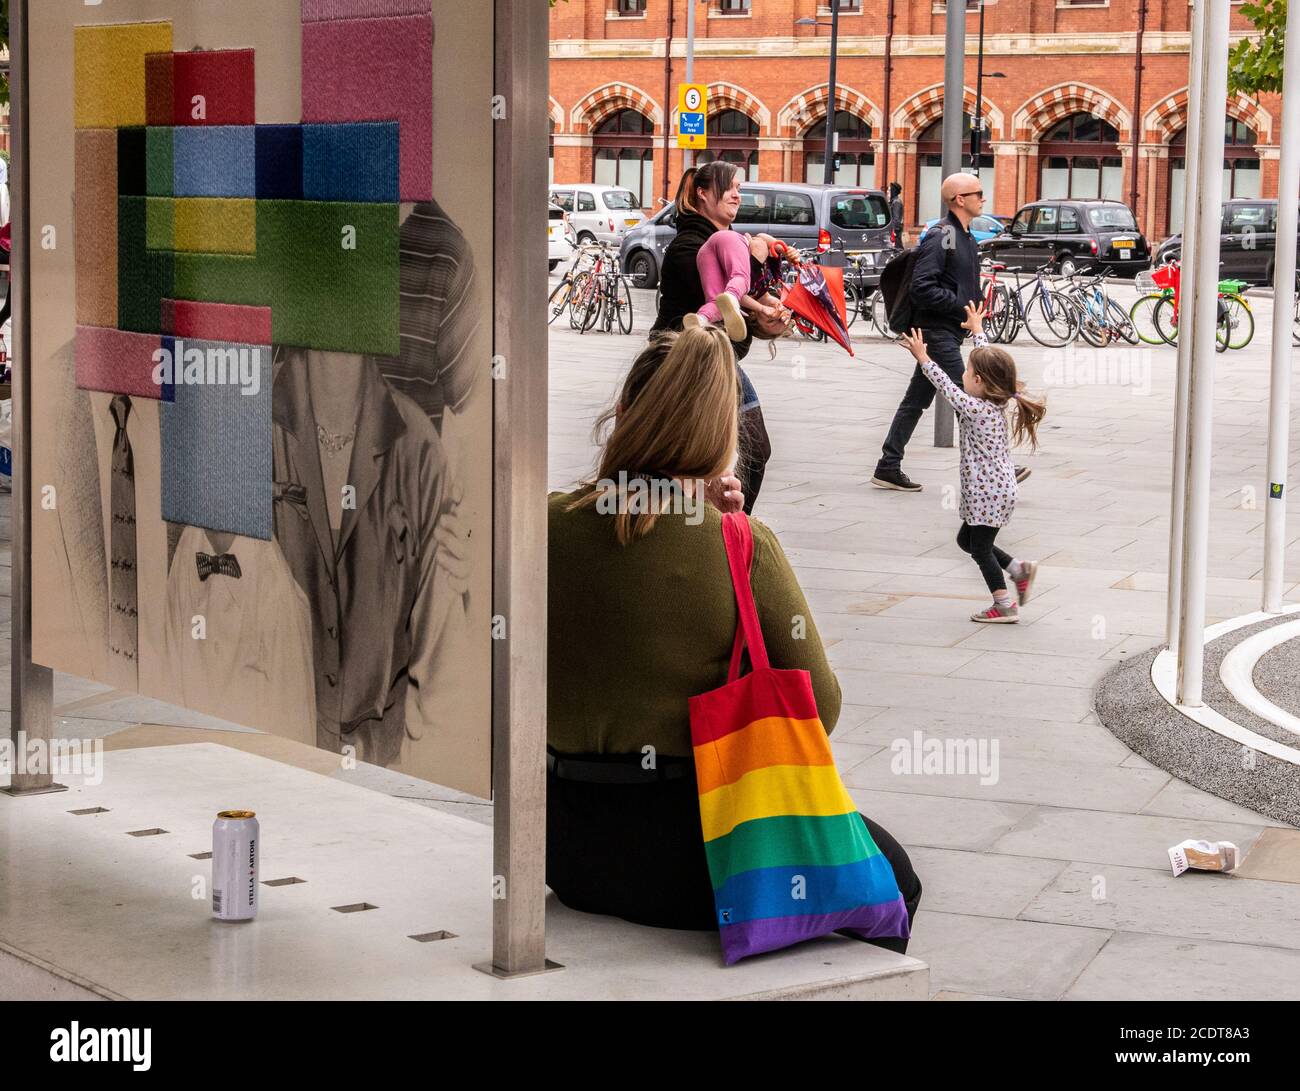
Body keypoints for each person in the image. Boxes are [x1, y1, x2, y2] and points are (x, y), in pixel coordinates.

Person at [546, 324, 923, 950]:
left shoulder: (545, 521)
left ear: (620, 416)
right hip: (702, 861)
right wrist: (724, 526)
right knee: (891, 880)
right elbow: (818, 709)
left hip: (565, 845)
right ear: (723, 437)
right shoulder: (739, 545)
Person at [652, 163, 790, 513]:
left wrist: (767, 318)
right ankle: (725, 529)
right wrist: (756, 260)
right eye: (728, 187)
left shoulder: (728, 240)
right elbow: (720, 298)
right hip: (682, 360)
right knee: (731, 454)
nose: (736, 195)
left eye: (738, 188)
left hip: (718, 360)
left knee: (737, 455)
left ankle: (724, 528)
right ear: (702, 193)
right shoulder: (688, 246)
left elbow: (741, 307)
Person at [899, 303, 1045, 623]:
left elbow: (947, 388)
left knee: (978, 548)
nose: (963, 376)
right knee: (968, 541)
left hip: (987, 492)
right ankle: (1019, 570)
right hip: (996, 489)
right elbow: (990, 361)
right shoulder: (998, 398)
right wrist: (977, 331)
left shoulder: (975, 408)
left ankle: (1004, 604)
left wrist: (924, 358)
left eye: (967, 373)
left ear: (978, 381)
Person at [871, 172, 985, 493]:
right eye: (977, 193)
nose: (983, 198)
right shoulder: (942, 235)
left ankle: (888, 465)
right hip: (935, 332)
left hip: (946, 330)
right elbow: (923, 287)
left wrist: (970, 306)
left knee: (915, 400)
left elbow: (956, 283)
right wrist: (961, 306)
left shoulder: (965, 236)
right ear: (959, 199)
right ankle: (992, 463)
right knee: (968, 397)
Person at [681, 227, 789, 343]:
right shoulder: (772, 279)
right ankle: (731, 295)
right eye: (780, 318)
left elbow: (740, 298)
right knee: (741, 279)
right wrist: (786, 251)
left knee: (715, 302)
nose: (774, 315)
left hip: (706, 254)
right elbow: (762, 237)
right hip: (732, 241)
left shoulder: (748, 299)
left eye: (771, 321)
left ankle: (700, 320)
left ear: (752, 316)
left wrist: (761, 308)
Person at [888, 181, 904, 248]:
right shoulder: (893, 201)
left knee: (897, 249)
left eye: (889, 190)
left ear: (893, 191)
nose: (887, 191)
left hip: (895, 233)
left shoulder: (896, 202)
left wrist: (893, 231)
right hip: (894, 231)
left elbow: (896, 219)